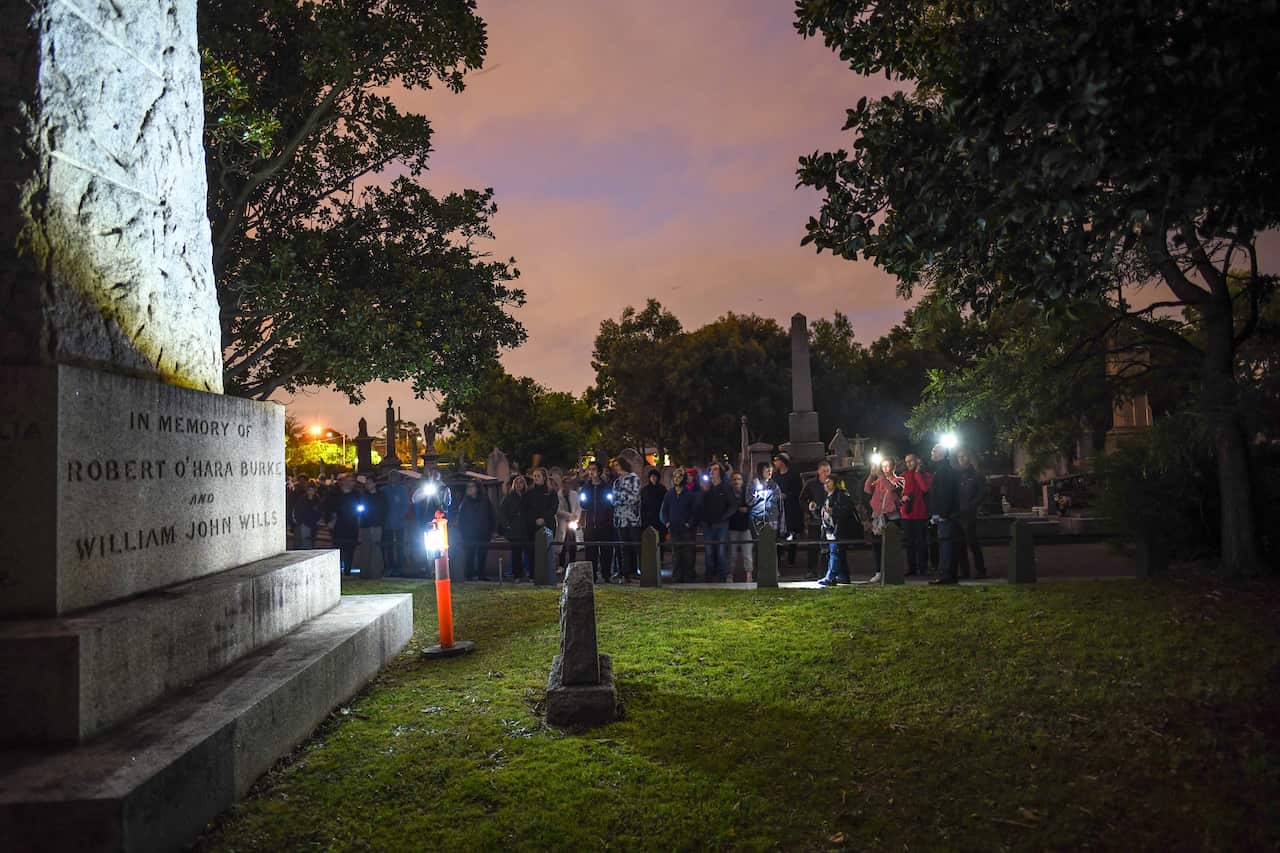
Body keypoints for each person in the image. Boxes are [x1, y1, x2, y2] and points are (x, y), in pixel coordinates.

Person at [864, 455, 904, 581]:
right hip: (878, 516)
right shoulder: (878, 481)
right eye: (883, 466)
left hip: (892, 517)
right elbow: (867, 489)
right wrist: (871, 475)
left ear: (893, 467)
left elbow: (892, 489)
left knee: (891, 545)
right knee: (877, 545)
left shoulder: (899, 480)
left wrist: (881, 476)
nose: (885, 468)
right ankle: (878, 571)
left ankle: (891, 571)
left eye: (887, 466)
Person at [927, 444, 962, 585]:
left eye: (934, 451)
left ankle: (946, 575)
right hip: (947, 514)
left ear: (941, 454)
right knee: (945, 544)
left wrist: (941, 514)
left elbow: (944, 494)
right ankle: (947, 574)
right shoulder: (944, 470)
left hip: (946, 515)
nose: (931, 453)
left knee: (945, 544)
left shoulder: (943, 471)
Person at [660, 466, 702, 583]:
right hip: (674, 529)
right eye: (675, 476)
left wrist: (689, 523)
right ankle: (677, 577)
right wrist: (667, 522)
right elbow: (664, 510)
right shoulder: (669, 494)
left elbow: (694, 512)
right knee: (676, 555)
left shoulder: (689, 494)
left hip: (686, 530)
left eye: (679, 476)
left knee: (688, 554)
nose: (676, 479)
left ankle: (688, 576)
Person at [818, 476, 861, 586]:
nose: (826, 484)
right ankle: (843, 576)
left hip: (839, 529)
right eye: (825, 482)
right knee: (839, 553)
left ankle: (830, 577)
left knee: (835, 552)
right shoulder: (827, 496)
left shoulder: (841, 495)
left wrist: (834, 511)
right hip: (830, 529)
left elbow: (846, 510)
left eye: (829, 482)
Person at [578, 460, 614, 582]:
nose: (591, 472)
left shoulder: (606, 487)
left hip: (604, 523)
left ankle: (606, 574)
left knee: (606, 550)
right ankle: (591, 575)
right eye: (590, 469)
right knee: (590, 551)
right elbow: (582, 503)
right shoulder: (586, 487)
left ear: (599, 472)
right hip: (590, 523)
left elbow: (610, 503)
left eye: (593, 469)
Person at [953, 450, 987, 579]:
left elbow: (982, 493)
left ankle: (981, 570)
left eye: (963, 456)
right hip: (958, 513)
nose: (960, 459)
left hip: (969, 513)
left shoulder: (976, 475)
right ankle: (964, 571)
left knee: (972, 542)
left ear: (969, 457)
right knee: (960, 544)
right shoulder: (957, 474)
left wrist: (972, 505)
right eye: (959, 457)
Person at [699, 462, 735, 581]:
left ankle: (721, 577)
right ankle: (709, 576)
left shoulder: (725, 487)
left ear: (720, 472)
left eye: (715, 469)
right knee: (709, 551)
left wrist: (724, 517)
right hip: (707, 524)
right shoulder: (707, 488)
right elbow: (700, 505)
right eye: (711, 470)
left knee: (721, 551)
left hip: (721, 524)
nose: (712, 472)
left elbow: (733, 505)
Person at [412, 470, 451, 576]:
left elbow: (447, 503)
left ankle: (439, 569)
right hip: (426, 522)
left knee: (440, 546)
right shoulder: (425, 488)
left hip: (439, 523)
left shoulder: (444, 489)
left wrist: (438, 495)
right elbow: (415, 499)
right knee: (428, 546)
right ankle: (429, 568)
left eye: (435, 476)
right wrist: (425, 492)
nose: (433, 478)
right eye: (431, 476)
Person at [455, 482, 496, 580]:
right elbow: (460, 519)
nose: (469, 489)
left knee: (482, 555)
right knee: (470, 555)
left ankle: (482, 575)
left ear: (477, 488)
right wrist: (462, 532)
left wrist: (493, 530)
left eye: (472, 486)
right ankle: (469, 575)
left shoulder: (485, 501)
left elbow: (492, 515)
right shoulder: (465, 502)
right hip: (469, 534)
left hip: (483, 533)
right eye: (468, 487)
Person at [324, 475, 363, 575]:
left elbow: (361, 509)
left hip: (352, 525)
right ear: (343, 482)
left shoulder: (356, 495)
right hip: (338, 525)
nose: (351, 483)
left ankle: (347, 570)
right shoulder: (335, 495)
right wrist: (329, 520)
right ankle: (337, 570)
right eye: (349, 481)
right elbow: (327, 508)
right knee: (338, 548)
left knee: (350, 549)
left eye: (352, 481)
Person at [900, 453, 932, 577]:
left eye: (911, 461)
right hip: (907, 515)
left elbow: (925, 488)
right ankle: (912, 568)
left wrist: (918, 473)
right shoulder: (903, 476)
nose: (908, 464)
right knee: (909, 543)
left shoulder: (926, 475)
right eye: (906, 462)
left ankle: (923, 567)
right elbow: (896, 491)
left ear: (917, 461)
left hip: (921, 514)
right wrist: (902, 498)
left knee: (921, 542)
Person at [611, 456, 642, 582]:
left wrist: (620, 499)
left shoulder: (634, 479)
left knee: (636, 546)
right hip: (620, 519)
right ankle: (626, 573)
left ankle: (641, 571)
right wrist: (620, 499)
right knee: (624, 548)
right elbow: (612, 499)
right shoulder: (617, 482)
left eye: (618, 465)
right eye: (615, 466)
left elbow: (634, 497)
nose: (616, 468)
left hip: (632, 519)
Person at [801, 462, 834, 578]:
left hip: (830, 520)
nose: (826, 473)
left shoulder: (833, 483)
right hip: (815, 519)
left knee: (829, 547)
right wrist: (809, 507)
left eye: (828, 471)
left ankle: (828, 570)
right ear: (818, 471)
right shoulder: (811, 484)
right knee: (813, 546)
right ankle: (811, 570)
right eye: (824, 471)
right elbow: (802, 499)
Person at [526, 467, 558, 579]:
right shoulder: (529, 492)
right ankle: (533, 575)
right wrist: (534, 519)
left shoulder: (551, 492)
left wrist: (544, 518)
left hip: (547, 524)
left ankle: (546, 574)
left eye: (538, 476)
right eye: (534, 476)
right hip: (533, 525)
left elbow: (553, 508)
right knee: (533, 551)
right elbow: (527, 508)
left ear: (544, 477)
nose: (535, 478)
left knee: (546, 550)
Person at [771, 452, 803, 567]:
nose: (775, 462)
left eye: (777, 460)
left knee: (791, 533)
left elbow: (798, 491)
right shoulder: (775, 476)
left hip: (790, 508)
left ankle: (791, 558)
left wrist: (787, 495)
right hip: (778, 508)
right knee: (778, 533)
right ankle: (779, 557)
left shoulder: (793, 475)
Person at [499, 475, 532, 581]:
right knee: (516, 553)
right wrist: (507, 525)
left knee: (529, 552)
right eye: (517, 483)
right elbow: (503, 513)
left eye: (521, 483)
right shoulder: (509, 497)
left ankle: (529, 573)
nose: (519, 485)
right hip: (515, 529)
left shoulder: (527, 496)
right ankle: (517, 575)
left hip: (526, 529)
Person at [380, 471, 412, 577]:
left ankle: (400, 566)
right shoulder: (384, 490)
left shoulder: (402, 490)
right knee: (388, 545)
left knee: (400, 545)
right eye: (392, 477)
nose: (393, 479)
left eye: (395, 477)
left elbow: (406, 504)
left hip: (399, 522)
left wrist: (401, 515)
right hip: (387, 522)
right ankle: (389, 566)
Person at [727, 471, 755, 582]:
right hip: (732, 527)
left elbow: (753, 506)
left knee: (747, 553)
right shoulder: (728, 493)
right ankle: (730, 574)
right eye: (734, 479)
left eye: (738, 479)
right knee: (732, 554)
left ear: (742, 481)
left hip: (745, 527)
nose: (736, 481)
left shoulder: (746, 493)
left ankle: (749, 575)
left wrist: (747, 510)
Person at [355, 477, 385, 578]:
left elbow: (383, 510)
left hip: (376, 525)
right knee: (365, 549)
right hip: (366, 525)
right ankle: (365, 572)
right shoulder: (364, 496)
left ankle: (375, 572)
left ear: (374, 484)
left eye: (369, 483)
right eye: (366, 484)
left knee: (376, 549)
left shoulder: (380, 496)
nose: (367, 485)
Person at [750, 460, 782, 535]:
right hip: (758, 519)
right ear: (761, 471)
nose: (770, 473)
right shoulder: (752, 484)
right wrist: (756, 491)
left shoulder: (775, 486)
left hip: (772, 519)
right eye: (767, 470)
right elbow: (749, 501)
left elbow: (780, 504)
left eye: (771, 470)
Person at [640, 468, 668, 545]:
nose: (653, 478)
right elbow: (642, 505)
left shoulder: (662, 489)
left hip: (659, 520)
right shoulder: (644, 490)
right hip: (647, 520)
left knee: (660, 542)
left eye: (655, 476)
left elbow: (665, 504)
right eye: (652, 476)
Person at [292, 482, 323, 550]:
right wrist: (300, 521)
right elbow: (298, 510)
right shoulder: (302, 499)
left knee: (311, 541)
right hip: (304, 523)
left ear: (315, 490)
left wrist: (318, 519)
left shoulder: (317, 499)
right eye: (309, 490)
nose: (311, 492)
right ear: (307, 490)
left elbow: (320, 510)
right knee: (306, 542)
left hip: (314, 524)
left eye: (312, 490)